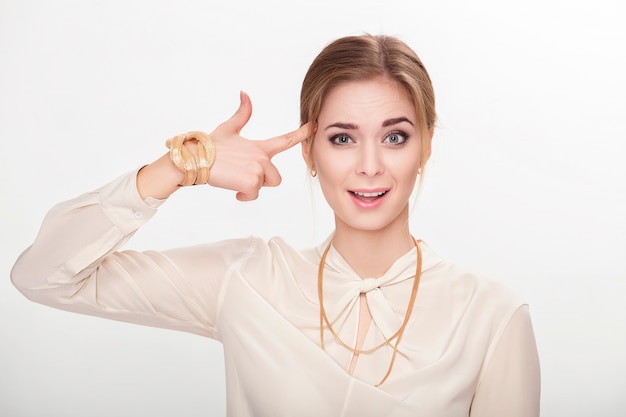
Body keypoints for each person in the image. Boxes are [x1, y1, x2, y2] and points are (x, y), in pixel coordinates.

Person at [11, 34, 540, 416]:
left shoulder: (492, 317)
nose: (370, 165)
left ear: (425, 146)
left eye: (396, 137)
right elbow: (44, 276)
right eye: (342, 138)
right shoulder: (248, 280)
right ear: (308, 152)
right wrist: (180, 167)